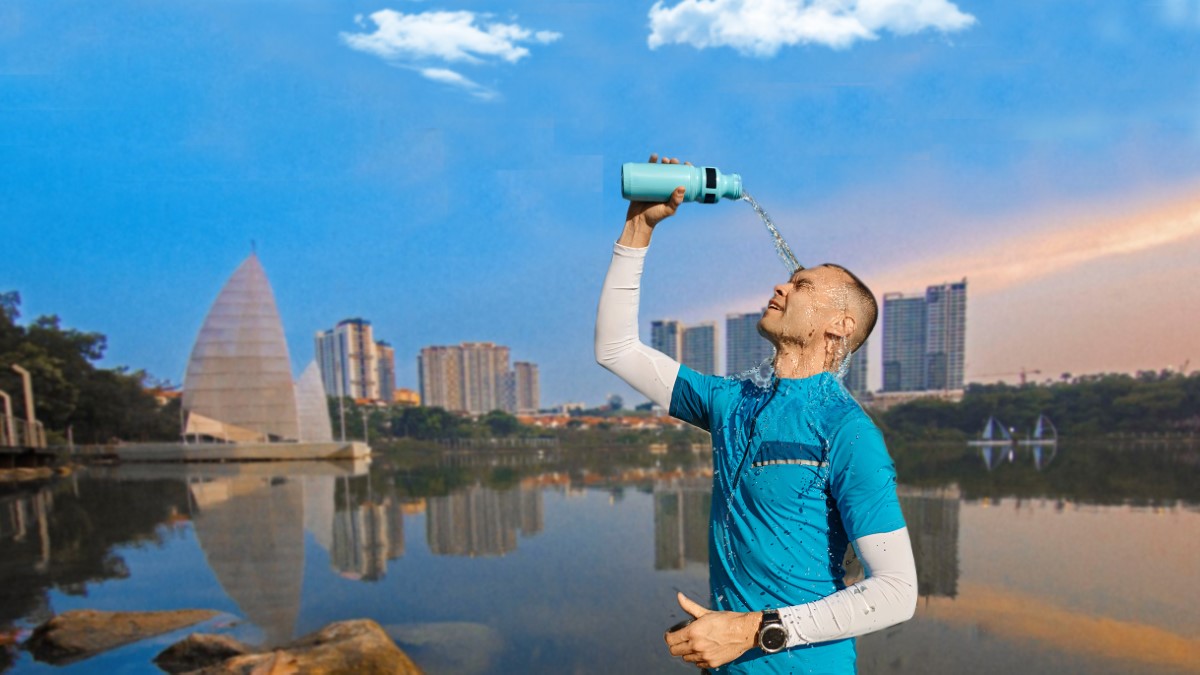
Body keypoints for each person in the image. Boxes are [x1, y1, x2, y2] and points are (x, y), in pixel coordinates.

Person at [595, 155, 918, 673]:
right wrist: (638, 226)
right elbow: (616, 349)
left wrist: (751, 630)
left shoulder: (847, 432)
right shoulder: (731, 402)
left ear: (837, 327)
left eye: (801, 286)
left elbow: (898, 592)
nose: (780, 287)